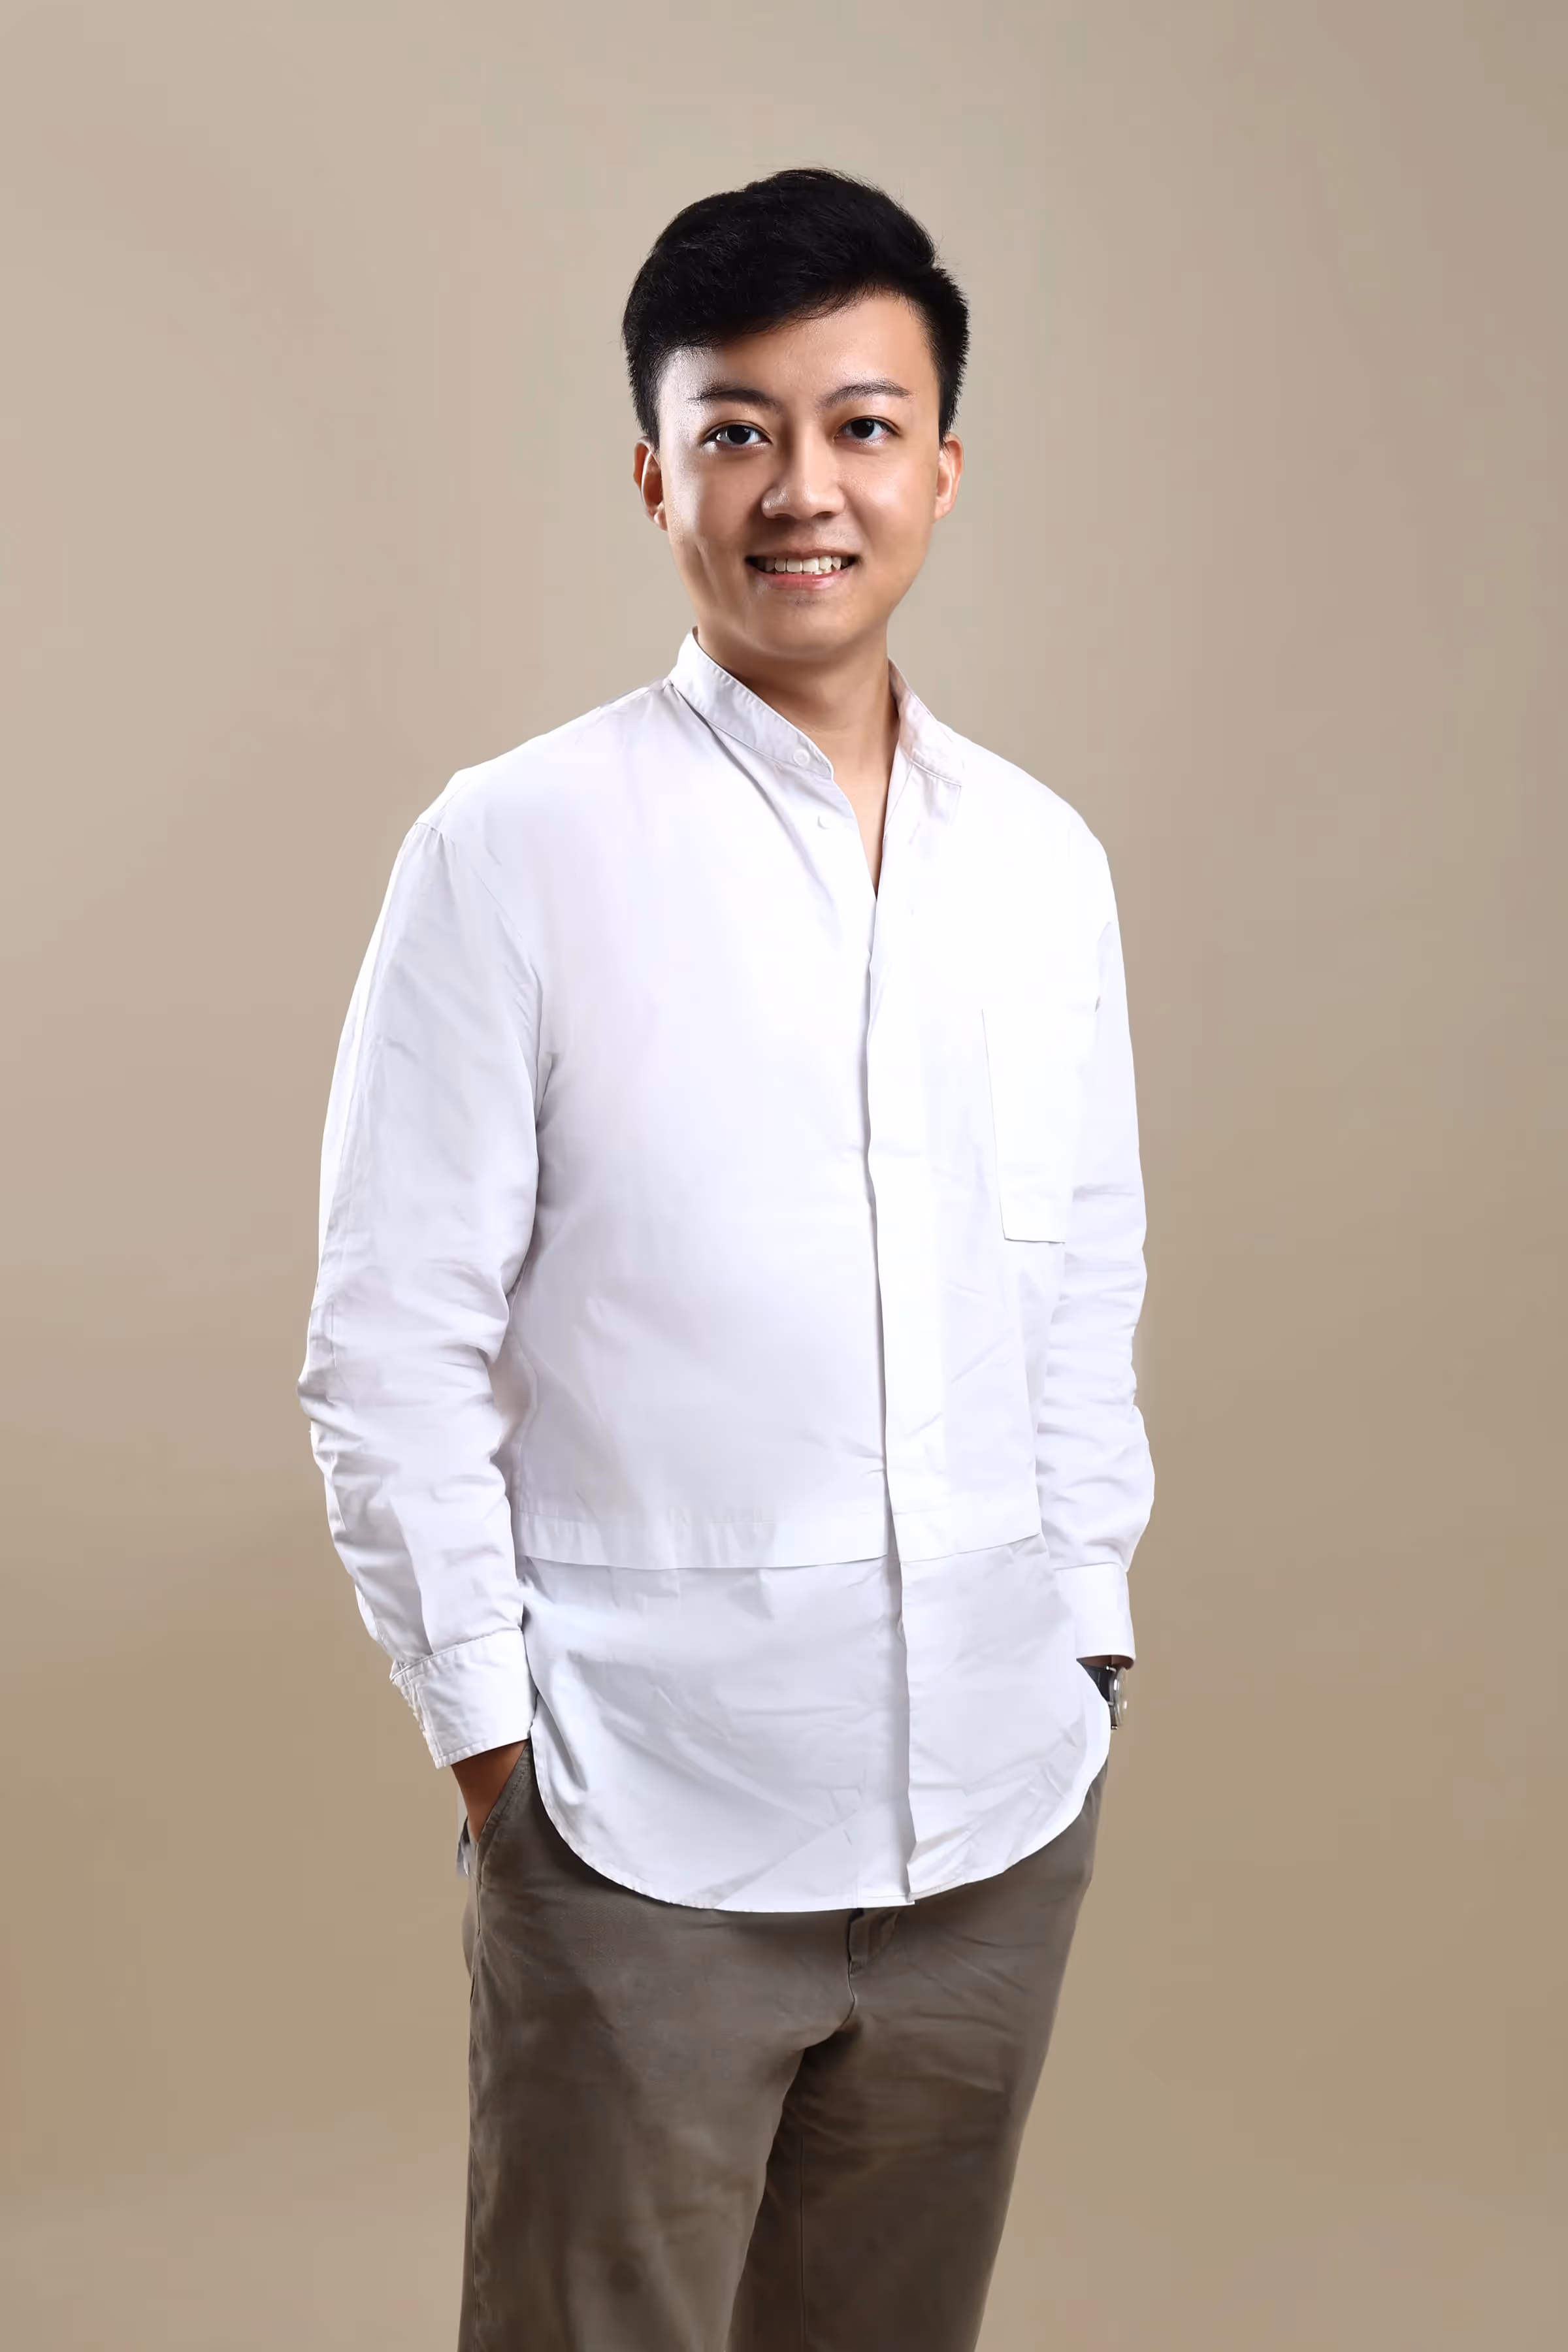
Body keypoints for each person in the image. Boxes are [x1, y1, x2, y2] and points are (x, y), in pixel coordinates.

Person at [298, 165, 1153, 2352]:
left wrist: (1086, 1641)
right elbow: (390, 1342)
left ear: (943, 467)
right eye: (739, 429)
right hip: (638, 1829)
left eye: (863, 426)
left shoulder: (1041, 863)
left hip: (994, 1819)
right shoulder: (513, 846)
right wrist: (496, 1756)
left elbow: (1079, 1283)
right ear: (655, 471)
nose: (804, 489)